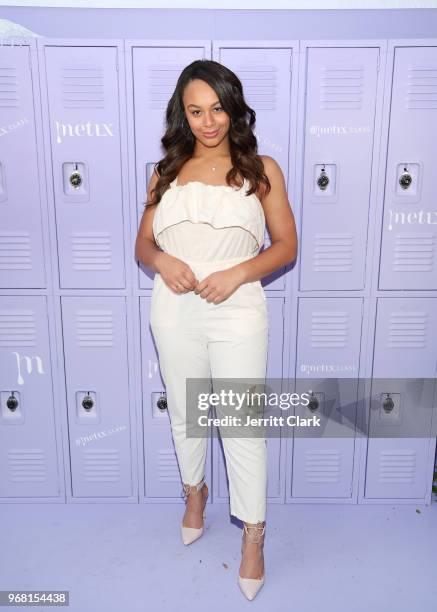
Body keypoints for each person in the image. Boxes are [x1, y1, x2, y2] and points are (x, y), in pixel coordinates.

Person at [135, 59, 297, 601]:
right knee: (185, 409)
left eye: (218, 108)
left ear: (234, 106)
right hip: (174, 308)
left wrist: (236, 272)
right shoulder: (164, 172)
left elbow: (286, 246)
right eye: (196, 111)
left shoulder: (261, 170)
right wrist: (162, 262)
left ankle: (253, 533)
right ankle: (195, 493)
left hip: (237, 308)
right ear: (182, 115)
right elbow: (142, 245)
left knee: (240, 420)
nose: (209, 122)